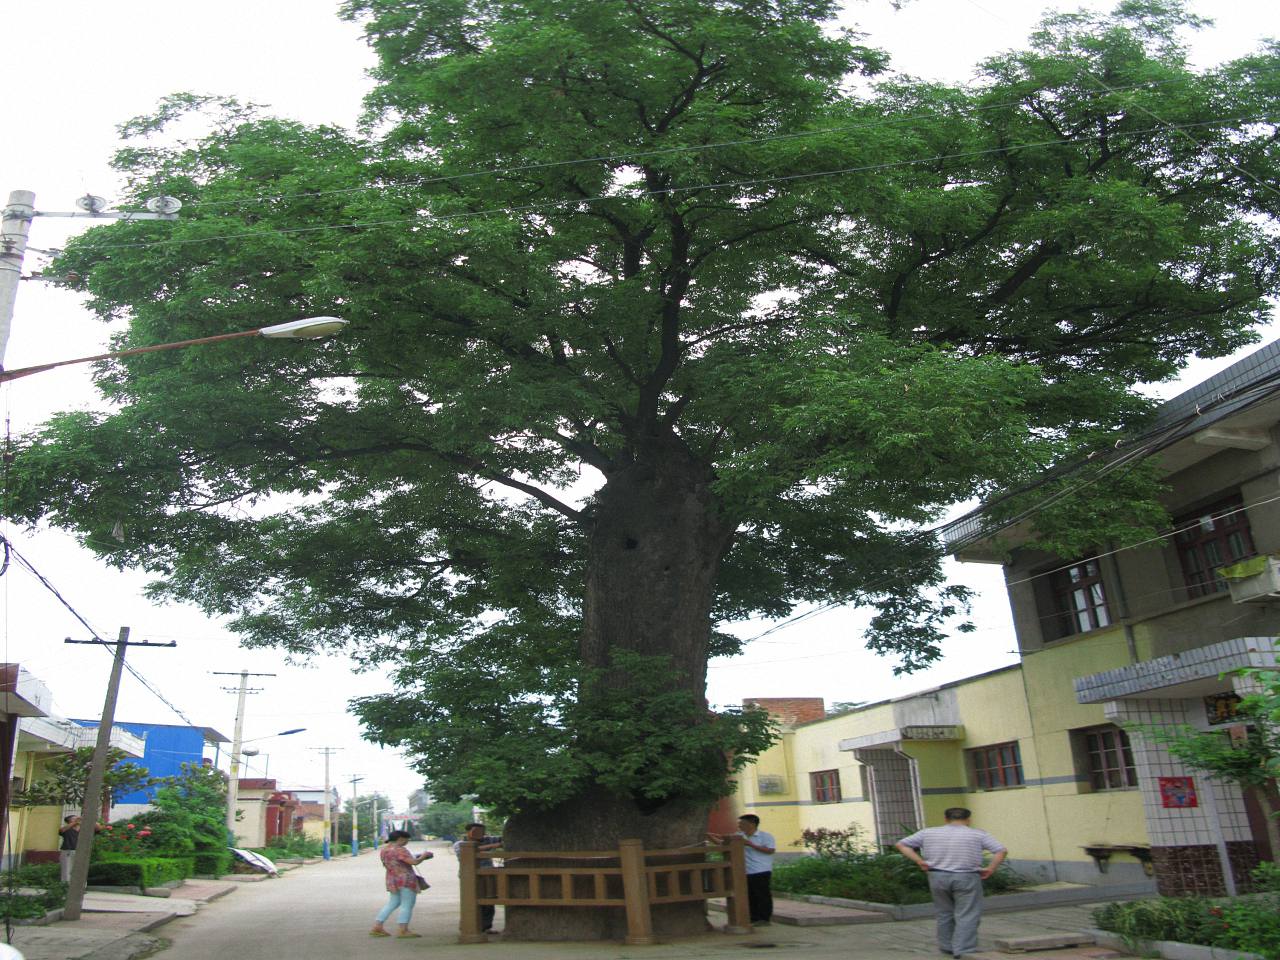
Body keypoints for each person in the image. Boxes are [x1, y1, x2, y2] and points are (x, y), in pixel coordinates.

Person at [895, 808, 1008, 959]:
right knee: (967, 913)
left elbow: (901, 844)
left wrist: (919, 861)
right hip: (967, 877)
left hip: (937, 876)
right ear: (968, 819)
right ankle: (964, 949)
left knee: (944, 913)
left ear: (945, 819)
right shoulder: (978, 834)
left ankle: (946, 946)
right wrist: (991, 868)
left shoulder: (928, 832)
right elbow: (1001, 850)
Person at [708, 814, 776, 925]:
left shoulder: (765, 836)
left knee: (762, 895)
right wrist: (711, 838)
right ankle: (753, 917)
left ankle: (764, 918)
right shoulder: (738, 836)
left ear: (752, 824)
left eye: (742, 823)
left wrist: (750, 844)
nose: (739, 825)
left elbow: (770, 850)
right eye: (739, 823)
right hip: (745, 870)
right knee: (749, 895)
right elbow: (724, 844)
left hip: (761, 870)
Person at [370, 829, 433, 938]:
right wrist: (424, 856)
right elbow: (414, 862)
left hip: (392, 878)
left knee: (393, 902)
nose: (407, 842)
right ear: (400, 839)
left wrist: (419, 856)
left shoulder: (385, 850)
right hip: (406, 879)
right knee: (407, 904)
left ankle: (377, 926)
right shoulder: (400, 850)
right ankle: (403, 930)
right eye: (406, 840)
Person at [453, 822, 502, 933]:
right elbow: (464, 854)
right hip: (469, 876)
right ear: (468, 831)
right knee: (471, 901)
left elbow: (503, 839)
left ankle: (486, 927)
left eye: (482, 831)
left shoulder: (488, 839)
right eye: (476, 831)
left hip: (488, 874)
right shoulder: (459, 843)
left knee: (489, 901)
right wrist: (491, 847)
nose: (480, 834)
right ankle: (469, 927)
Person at [58, 815, 80, 882]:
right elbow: (61, 830)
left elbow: (98, 828)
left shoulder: (82, 829)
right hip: (67, 851)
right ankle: (65, 886)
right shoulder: (66, 829)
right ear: (69, 821)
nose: (77, 819)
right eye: (74, 818)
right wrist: (75, 822)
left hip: (80, 851)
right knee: (66, 869)